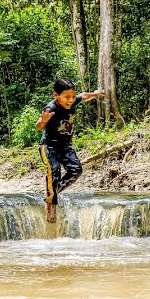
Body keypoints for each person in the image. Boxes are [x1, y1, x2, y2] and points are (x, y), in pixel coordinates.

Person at [36, 78, 105, 222]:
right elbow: (39, 126)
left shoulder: (73, 101)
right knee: (54, 170)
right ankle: (51, 204)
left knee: (76, 170)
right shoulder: (50, 108)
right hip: (49, 146)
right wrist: (43, 120)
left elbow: (84, 96)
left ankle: (51, 195)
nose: (71, 100)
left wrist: (95, 94)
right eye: (67, 97)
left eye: (73, 96)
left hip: (65, 146)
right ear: (56, 95)